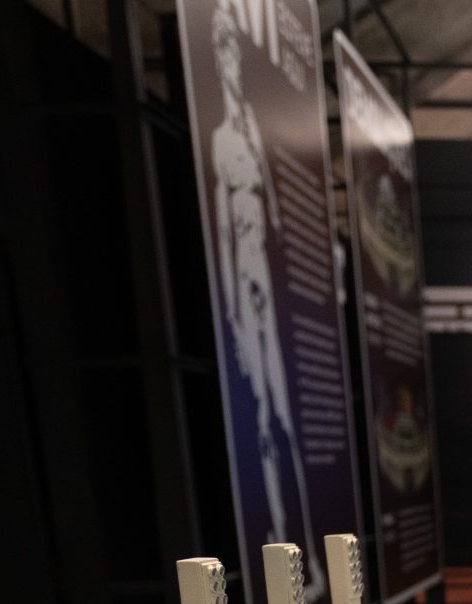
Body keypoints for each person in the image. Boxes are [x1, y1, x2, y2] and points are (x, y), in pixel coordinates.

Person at [209, 2, 296, 548]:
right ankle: (281, 542)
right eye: (225, 53)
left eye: (236, 54)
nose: (232, 65)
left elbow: (278, 222)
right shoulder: (222, 140)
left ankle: (300, 550)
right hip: (244, 276)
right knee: (264, 412)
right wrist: (234, 316)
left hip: (265, 270)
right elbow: (224, 233)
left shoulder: (252, 133)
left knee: (282, 411)